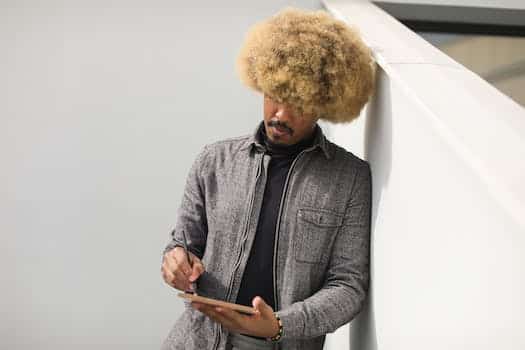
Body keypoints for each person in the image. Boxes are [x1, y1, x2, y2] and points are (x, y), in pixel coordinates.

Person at [160, 7, 376, 350]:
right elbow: (183, 244)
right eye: (275, 95)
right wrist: (175, 262)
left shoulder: (350, 178)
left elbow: (348, 287)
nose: (281, 114)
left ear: (324, 104)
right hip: (195, 341)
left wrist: (278, 325)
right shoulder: (213, 161)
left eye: (299, 104)